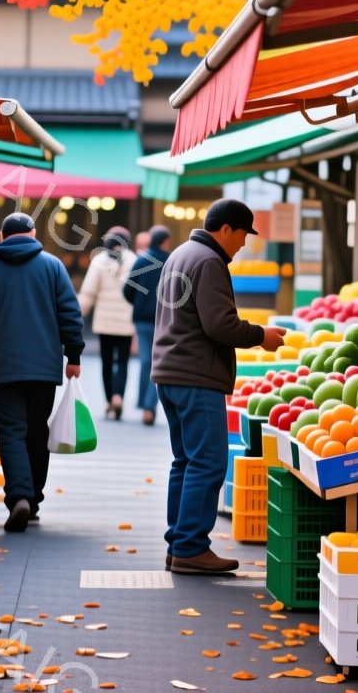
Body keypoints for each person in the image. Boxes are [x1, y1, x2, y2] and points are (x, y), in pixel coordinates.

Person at [153, 199, 285, 575]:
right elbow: (219, 324)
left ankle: (179, 543)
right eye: (243, 234)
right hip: (196, 375)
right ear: (225, 229)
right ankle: (191, 547)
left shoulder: (180, 254)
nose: (243, 243)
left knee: (185, 461)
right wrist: (261, 336)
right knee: (208, 462)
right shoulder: (209, 261)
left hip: (171, 372)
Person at [0, 213, 86, 532]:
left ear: (1, 236)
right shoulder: (53, 266)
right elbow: (70, 314)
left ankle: (19, 495)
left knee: (10, 432)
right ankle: (32, 500)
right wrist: (73, 354)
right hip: (44, 369)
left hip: (3, 368)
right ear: (33, 235)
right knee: (36, 431)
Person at [77, 227, 136, 419]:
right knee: (123, 362)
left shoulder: (99, 261)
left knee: (107, 362)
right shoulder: (133, 260)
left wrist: (76, 316)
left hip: (104, 323)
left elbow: (88, 293)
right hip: (126, 322)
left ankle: (110, 400)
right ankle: (119, 396)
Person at [123, 225, 171, 425]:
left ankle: (144, 403)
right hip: (164, 321)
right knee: (158, 362)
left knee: (145, 361)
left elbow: (127, 290)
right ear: (165, 242)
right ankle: (150, 406)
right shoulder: (170, 261)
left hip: (142, 320)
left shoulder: (142, 260)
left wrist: (139, 303)